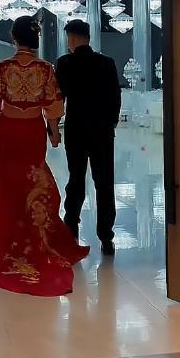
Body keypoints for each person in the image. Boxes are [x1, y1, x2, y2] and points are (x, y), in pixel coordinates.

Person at [0, 16, 89, 296]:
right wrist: (54, 132)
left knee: (5, 184)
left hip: (8, 130)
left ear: (14, 38)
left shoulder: (3, 68)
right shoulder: (45, 68)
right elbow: (53, 105)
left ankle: (5, 238)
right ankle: (33, 235)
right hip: (32, 131)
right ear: (35, 40)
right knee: (33, 180)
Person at [56, 19, 121, 256]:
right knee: (104, 183)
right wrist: (110, 124)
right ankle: (106, 236)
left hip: (76, 130)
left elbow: (59, 97)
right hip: (102, 131)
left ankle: (71, 227)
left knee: (76, 179)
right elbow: (115, 97)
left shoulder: (65, 63)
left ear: (72, 38)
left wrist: (53, 126)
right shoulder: (106, 63)